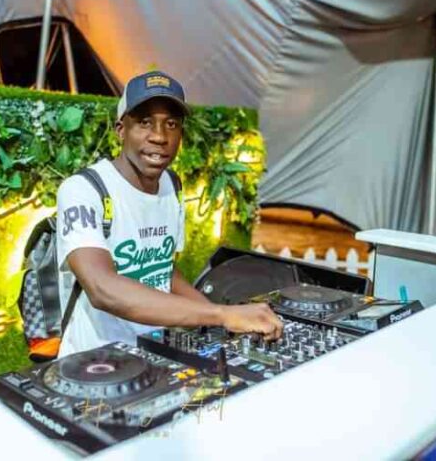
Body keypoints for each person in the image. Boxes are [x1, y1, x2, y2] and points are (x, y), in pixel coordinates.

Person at [55, 70, 282, 356]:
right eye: (145, 123)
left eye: (171, 124)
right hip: (94, 362)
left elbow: (164, 271)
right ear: (121, 130)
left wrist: (217, 320)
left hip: (153, 353)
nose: (159, 137)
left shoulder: (171, 186)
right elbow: (102, 289)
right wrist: (221, 315)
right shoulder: (83, 189)